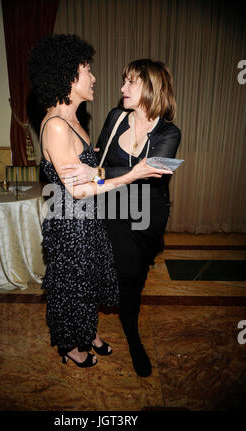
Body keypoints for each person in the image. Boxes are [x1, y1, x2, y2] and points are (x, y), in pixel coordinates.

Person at [28, 37, 169, 369]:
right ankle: (71, 347)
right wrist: (131, 175)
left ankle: (88, 332)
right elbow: (77, 190)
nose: (93, 77)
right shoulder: (58, 127)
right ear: (68, 77)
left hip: (90, 217)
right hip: (72, 222)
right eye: (87, 70)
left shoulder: (76, 119)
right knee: (73, 285)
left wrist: (100, 166)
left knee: (90, 278)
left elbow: (90, 168)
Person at [61, 58, 181, 376]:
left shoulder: (169, 132)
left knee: (136, 277)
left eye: (130, 82)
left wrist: (99, 172)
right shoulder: (116, 117)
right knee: (120, 273)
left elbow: (149, 175)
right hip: (114, 209)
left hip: (148, 214)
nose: (122, 88)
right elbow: (100, 155)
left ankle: (128, 322)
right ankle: (127, 335)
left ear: (151, 89)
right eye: (123, 81)